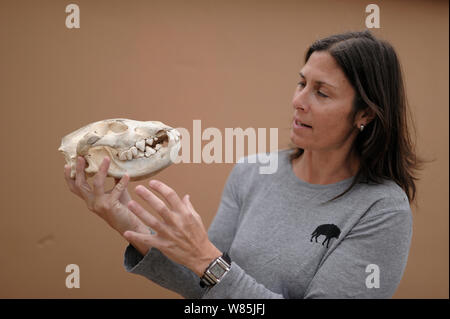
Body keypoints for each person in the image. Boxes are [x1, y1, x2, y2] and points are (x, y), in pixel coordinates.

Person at [63, 30, 421, 298]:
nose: (298, 101)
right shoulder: (253, 172)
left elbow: (211, 270)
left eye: (321, 92)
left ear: (365, 113)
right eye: (301, 83)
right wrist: (124, 219)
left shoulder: (382, 209)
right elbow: (207, 290)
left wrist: (206, 258)